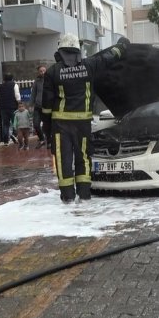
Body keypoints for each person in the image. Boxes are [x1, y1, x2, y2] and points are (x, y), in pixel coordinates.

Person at [42, 33, 129, 202]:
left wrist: (46, 127)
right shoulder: (89, 65)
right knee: (83, 158)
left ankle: (67, 198)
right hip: (83, 124)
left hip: (61, 125)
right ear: (77, 49)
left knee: (63, 160)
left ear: (60, 50)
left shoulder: (53, 72)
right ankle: (84, 196)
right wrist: (122, 46)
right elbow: (108, 57)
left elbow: (46, 104)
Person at [0, 73, 20, 144]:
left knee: (5, 124)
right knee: (15, 122)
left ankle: (6, 141)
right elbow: (17, 96)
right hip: (12, 107)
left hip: (3, 108)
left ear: (4, 79)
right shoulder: (14, 85)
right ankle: (14, 135)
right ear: (12, 79)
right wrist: (20, 104)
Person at [29, 64, 48, 148]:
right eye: (41, 71)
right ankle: (42, 139)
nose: (42, 72)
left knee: (47, 125)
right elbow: (33, 93)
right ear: (38, 72)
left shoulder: (50, 80)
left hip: (47, 106)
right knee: (36, 124)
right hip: (37, 107)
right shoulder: (36, 81)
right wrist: (31, 105)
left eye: (44, 70)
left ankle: (49, 140)